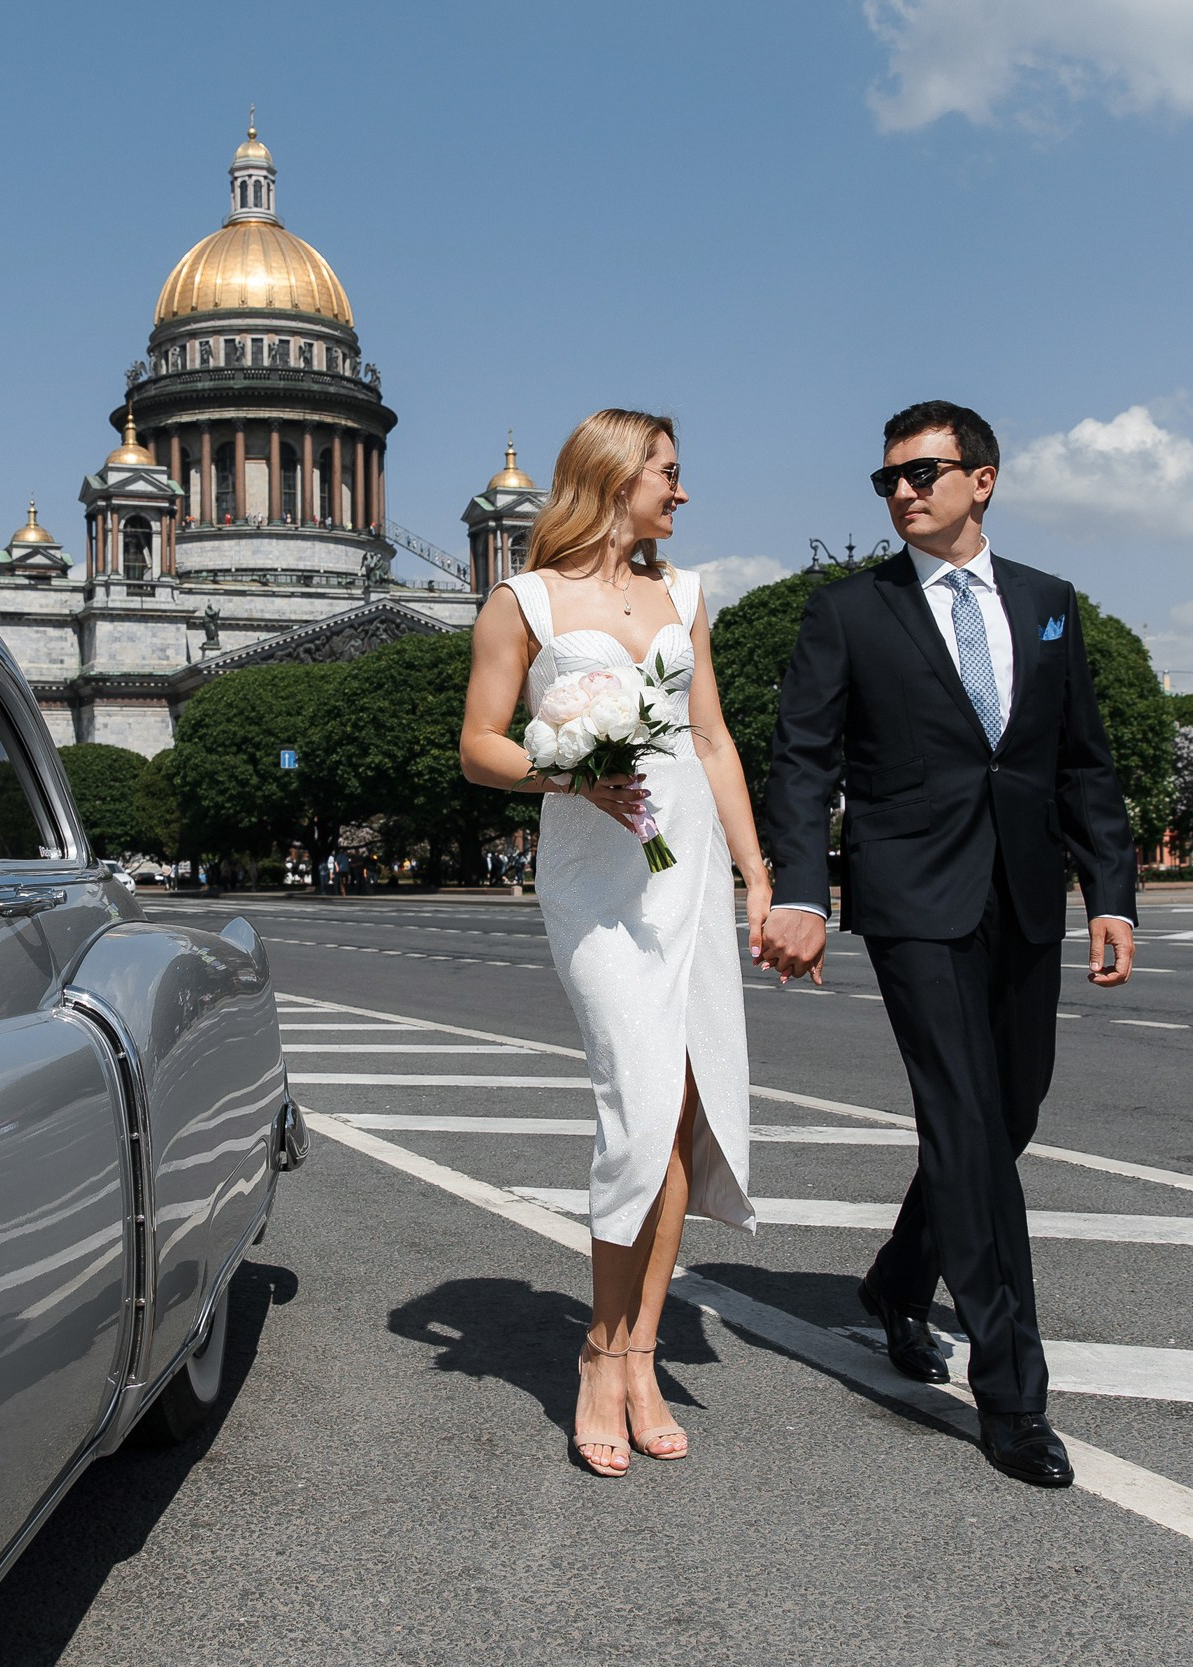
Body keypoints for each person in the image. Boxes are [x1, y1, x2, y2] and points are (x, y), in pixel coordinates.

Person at [757, 400, 1137, 1488]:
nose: (903, 492)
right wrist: (798, 889)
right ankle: (1011, 1390)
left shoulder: (1048, 604)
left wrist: (1108, 889)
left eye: (923, 472)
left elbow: (1081, 762)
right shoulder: (848, 611)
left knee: (1008, 1113)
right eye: (887, 480)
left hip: (1024, 891)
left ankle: (894, 1277)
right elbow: (802, 760)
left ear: (983, 479)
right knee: (963, 1120)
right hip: (911, 893)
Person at [460, 409, 762, 1476]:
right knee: (635, 1104)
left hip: (684, 870)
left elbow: (712, 740)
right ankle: (596, 1350)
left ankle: (639, 1349)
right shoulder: (524, 600)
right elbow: (478, 743)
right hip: (595, 876)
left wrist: (758, 876)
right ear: (614, 474)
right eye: (669, 474)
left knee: (681, 1107)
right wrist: (567, 770)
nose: (680, 495)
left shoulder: (684, 594)